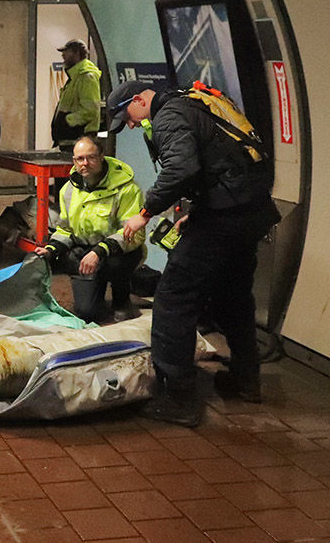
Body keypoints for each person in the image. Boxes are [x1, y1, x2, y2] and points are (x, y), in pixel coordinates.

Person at [110, 79, 280, 427]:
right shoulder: (191, 102)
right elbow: (222, 163)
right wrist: (199, 210)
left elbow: (181, 168)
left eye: (126, 115)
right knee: (231, 295)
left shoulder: (168, 116)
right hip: (248, 211)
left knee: (174, 296)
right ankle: (247, 380)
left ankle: (178, 397)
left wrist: (145, 215)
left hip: (226, 216)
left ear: (140, 100)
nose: (129, 124)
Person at [34, 135, 145, 323]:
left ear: (101, 156)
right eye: (79, 159)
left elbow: (132, 233)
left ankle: (122, 300)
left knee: (116, 264)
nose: (85, 163)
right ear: (74, 161)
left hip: (116, 252)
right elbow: (65, 229)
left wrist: (100, 251)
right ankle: (95, 287)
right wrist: (51, 248)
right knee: (87, 313)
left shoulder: (126, 189)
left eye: (91, 157)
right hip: (85, 251)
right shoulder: (68, 190)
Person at [51, 39, 102, 150]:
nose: (63, 55)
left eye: (66, 52)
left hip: (79, 141)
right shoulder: (74, 77)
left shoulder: (87, 77)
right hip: (69, 141)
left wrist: (67, 121)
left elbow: (91, 111)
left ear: (77, 53)